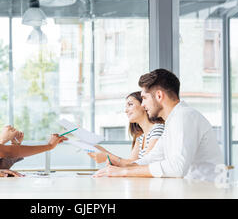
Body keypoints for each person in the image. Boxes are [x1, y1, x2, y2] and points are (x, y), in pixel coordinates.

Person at [93, 68, 224, 181]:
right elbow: (153, 157)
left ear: (159, 96)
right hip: (191, 190)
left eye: (144, 98)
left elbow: (177, 168)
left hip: (205, 191)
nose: (143, 105)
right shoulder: (173, 120)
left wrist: (124, 172)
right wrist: (123, 166)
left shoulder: (184, 116)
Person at [87, 91, 164, 166]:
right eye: (126, 107)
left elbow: (145, 164)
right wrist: (103, 152)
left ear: (144, 105)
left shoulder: (158, 129)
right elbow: (131, 163)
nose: (126, 110)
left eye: (130, 104)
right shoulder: (140, 138)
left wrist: (108, 156)